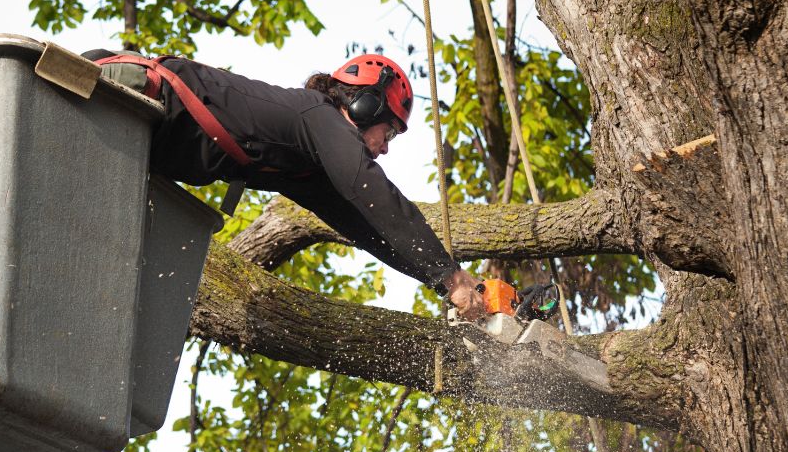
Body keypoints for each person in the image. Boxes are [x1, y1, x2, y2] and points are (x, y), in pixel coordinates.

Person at [81, 48, 496, 320]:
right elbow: (371, 191)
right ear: (364, 104)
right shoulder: (318, 116)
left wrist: (441, 281)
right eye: (387, 134)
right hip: (126, 96)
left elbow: (370, 228)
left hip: (136, 139)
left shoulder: (307, 164)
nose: (384, 149)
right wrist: (452, 275)